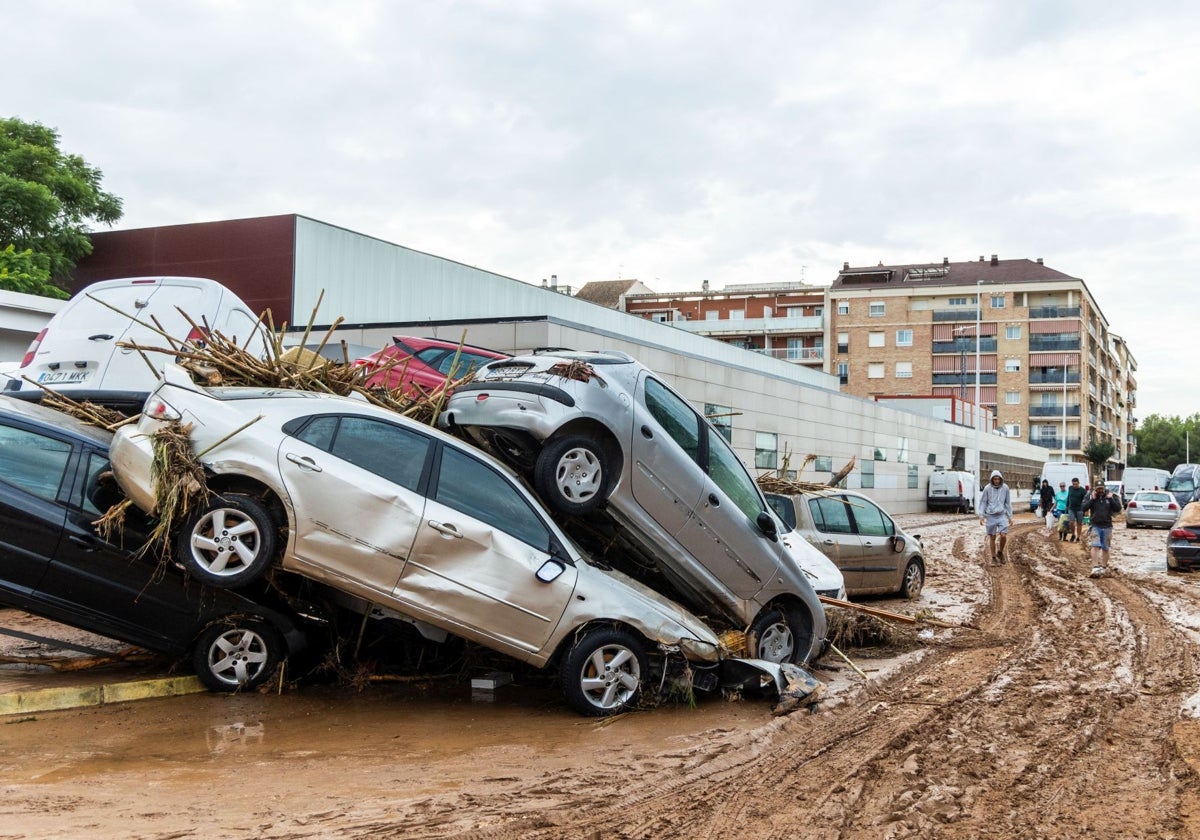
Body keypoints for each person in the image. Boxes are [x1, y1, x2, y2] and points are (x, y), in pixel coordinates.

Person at [1082, 480, 1123, 577]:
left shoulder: (1110, 496)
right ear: (1095, 489)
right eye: (1098, 489)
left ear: (1104, 488)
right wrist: (1092, 499)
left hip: (1107, 526)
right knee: (1095, 546)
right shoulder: (1090, 496)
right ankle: (1095, 567)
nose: (1100, 490)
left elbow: (1118, 508)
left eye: (1102, 488)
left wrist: (1111, 499)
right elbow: (1083, 508)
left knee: (1105, 547)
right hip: (1095, 525)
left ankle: (1104, 567)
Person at [978, 470, 1013, 562]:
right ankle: (993, 557)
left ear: (1000, 479)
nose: (996, 481)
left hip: (1001, 515)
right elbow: (983, 502)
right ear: (992, 479)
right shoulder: (987, 488)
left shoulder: (1005, 488)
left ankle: (1000, 552)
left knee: (1003, 535)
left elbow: (1007, 503)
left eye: (998, 479)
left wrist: (1010, 517)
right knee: (992, 537)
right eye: (995, 479)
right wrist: (981, 516)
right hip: (990, 516)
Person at [1065, 476, 1087, 542]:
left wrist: (1085, 509)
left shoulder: (1082, 490)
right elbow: (1069, 496)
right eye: (1073, 484)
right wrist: (1067, 505)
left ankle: (1078, 537)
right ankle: (1073, 534)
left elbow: (1086, 500)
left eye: (1076, 484)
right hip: (1071, 508)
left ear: (1079, 483)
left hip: (1080, 509)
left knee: (1079, 523)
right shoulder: (1070, 488)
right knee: (1071, 522)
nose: (1074, 485)